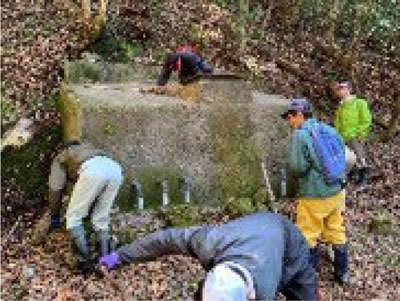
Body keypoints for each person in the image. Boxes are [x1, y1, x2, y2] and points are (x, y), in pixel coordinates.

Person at [99, 211, 319, 300]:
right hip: (251, 229)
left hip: (290, 244)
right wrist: (119, 256)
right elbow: (163, 240)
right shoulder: (209, 242)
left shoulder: (265, 290)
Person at [282, 98, 349, 284]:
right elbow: (341, 153)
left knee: (308, 234)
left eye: (290, 116)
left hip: (314, 194)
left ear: (300, 115)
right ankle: (342, 274)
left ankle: (309, 278)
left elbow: (297, 167)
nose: (289, 121)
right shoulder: (327, 129)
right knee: (335, 229)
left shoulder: (300, 135)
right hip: (336, 190)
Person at [48, 140, 123, 270]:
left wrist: (54, 216)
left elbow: (55, 188)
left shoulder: (61, 157)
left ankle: (86, 263)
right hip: (116, 169)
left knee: (73, 217)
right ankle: (105, 262)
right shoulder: (91, 149)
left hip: (93, 171)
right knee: (101, 218)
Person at [331, 80, 372, 188]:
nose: (340, 91)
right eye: (338, 89)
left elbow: (366, 120)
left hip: (355, 136)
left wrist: (360, 133)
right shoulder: (341, 106)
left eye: (342, 89)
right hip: (343, 137)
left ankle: (363, 176)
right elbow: (337, 122)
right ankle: (351, 174)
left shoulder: (359, 103)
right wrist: (337, 134)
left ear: (349, 90)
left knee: (359, 156)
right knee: (347, 157)